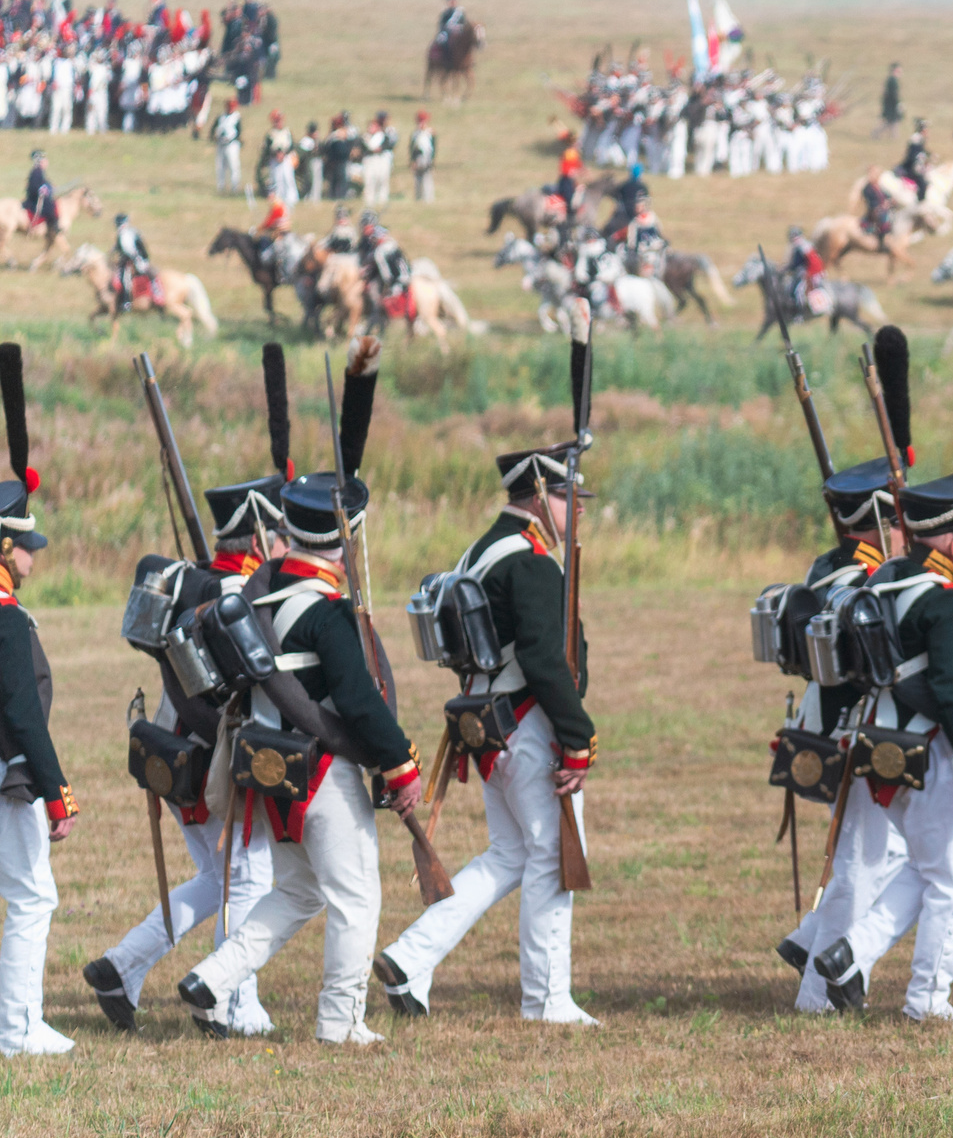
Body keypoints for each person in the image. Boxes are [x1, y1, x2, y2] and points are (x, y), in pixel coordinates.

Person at [176, 428, 424, 1044]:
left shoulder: (267, 586)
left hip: (270, 765)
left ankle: (212, 978)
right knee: (357, 895)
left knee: (299, 891)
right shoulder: (325, 612)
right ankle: (340, 1022)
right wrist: (400, 766)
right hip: (319, 773)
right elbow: (362, 705)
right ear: (345, 535)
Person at [374, 434, 600, 1026]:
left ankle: (410, 956)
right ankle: (547, 1001)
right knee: (549, 857)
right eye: (569, 497)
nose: (578, 510)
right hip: (527, 724)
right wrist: (577, 737)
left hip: (489, 725)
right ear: (541, 493)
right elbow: (546, 660)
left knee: (510, 855)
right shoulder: (528, 561)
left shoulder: (483, 549)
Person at [821, 349, 953, 1023]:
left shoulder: (880, 580)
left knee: (929, 873)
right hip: (931, 754)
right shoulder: (943, 602)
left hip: (881, 744)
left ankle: (848, 955)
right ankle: (928, 999)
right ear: (952, 537)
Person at [84, 474, 288, 1035]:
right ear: (257, 538)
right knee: (247, 880)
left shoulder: (200, 584)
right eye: (277, 534)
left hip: (175, 755)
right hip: (210, 763)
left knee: (218, 877)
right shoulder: (232, 597)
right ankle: (231, 1002)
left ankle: (120, 968)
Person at [776, 456, 905, 1013]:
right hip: (856, 734)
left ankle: (810, 940)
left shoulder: (830, 566)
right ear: (879, 518)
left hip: (826, 729)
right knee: (861, 864)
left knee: (895, 855)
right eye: (898, 518)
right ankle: (819, 995)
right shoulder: (868, 580)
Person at [0, 353, 77, 1057]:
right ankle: (19, 1029)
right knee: (32, 897)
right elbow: (22, 716)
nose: (33, 555)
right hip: (8, 780)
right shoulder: (8, 620)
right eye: (25, 546)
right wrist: (56, 793)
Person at [111, 211, 157, 310]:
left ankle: (126, 301)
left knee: (124, 278)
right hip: (136, 259)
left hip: (136, 261)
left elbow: (129, 250)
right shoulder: (128, 232)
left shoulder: (125, 233)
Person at [20, 150, 56, 249]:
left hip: (37, 198)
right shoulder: (36, 172)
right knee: (50, 209)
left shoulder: (40, 172)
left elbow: (45, 184)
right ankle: (52, 230)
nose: (47, 162)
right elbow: (34, 187)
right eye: (44, 160)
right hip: (34, 201)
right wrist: (43, 190)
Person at [359, 110, 395, 209]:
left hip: (380, 161)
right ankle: (369, 201)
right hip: (369, 161)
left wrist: (379, 149)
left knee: (382, 180)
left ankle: (382, 200)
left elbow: (387, 146)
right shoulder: (365, 138)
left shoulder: (383, 136)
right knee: (369, 182)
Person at [212, 97, 242, 195]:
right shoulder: (221, 117)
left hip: (231, 144)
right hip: (221, 144)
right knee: (220, 166)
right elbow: (214, 128)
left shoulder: (236, 117)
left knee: (233, 165)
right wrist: (215, 136)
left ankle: (235, 186)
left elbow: (239, 131)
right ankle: (221, 185)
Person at [895, 121, 930, 197]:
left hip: (915, 163)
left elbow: (922, 152)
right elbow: (914, 154)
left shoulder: (919, 138)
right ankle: (920, 200)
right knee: (921, 182)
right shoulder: (916, 139)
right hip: (911, 165)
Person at [409, 110, 435, 203]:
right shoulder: (415, 134)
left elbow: (433, 147)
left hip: (426, 158)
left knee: (427, 179)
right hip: (417, 158)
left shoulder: (429, 133)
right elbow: (412, 148)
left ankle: (428, 199)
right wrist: (412, 161)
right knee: (417, 180)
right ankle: (418, 198)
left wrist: (431, 160)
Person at [874, 62, 903, 139]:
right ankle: (893, 137)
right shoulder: (892, 81)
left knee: (891, 122)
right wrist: (898, 104)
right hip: (892, 105)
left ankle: (892, 137)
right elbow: (893, 94)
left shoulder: (891, 80)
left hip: (890, 104)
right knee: (892, 121)